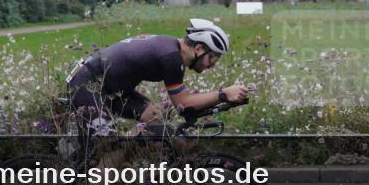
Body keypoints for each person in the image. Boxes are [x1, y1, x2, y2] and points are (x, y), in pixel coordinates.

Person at [66, 18, 248, 135]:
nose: (212, 65)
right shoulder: (171, 57)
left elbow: (184, 107)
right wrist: (223, 94)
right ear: (199, 49)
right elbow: (184, 104)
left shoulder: (171, 49)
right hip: (88, 86)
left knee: (157, 120)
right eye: (212, 57)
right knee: (110, 150)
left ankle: (127, 183)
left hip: (114, 89)